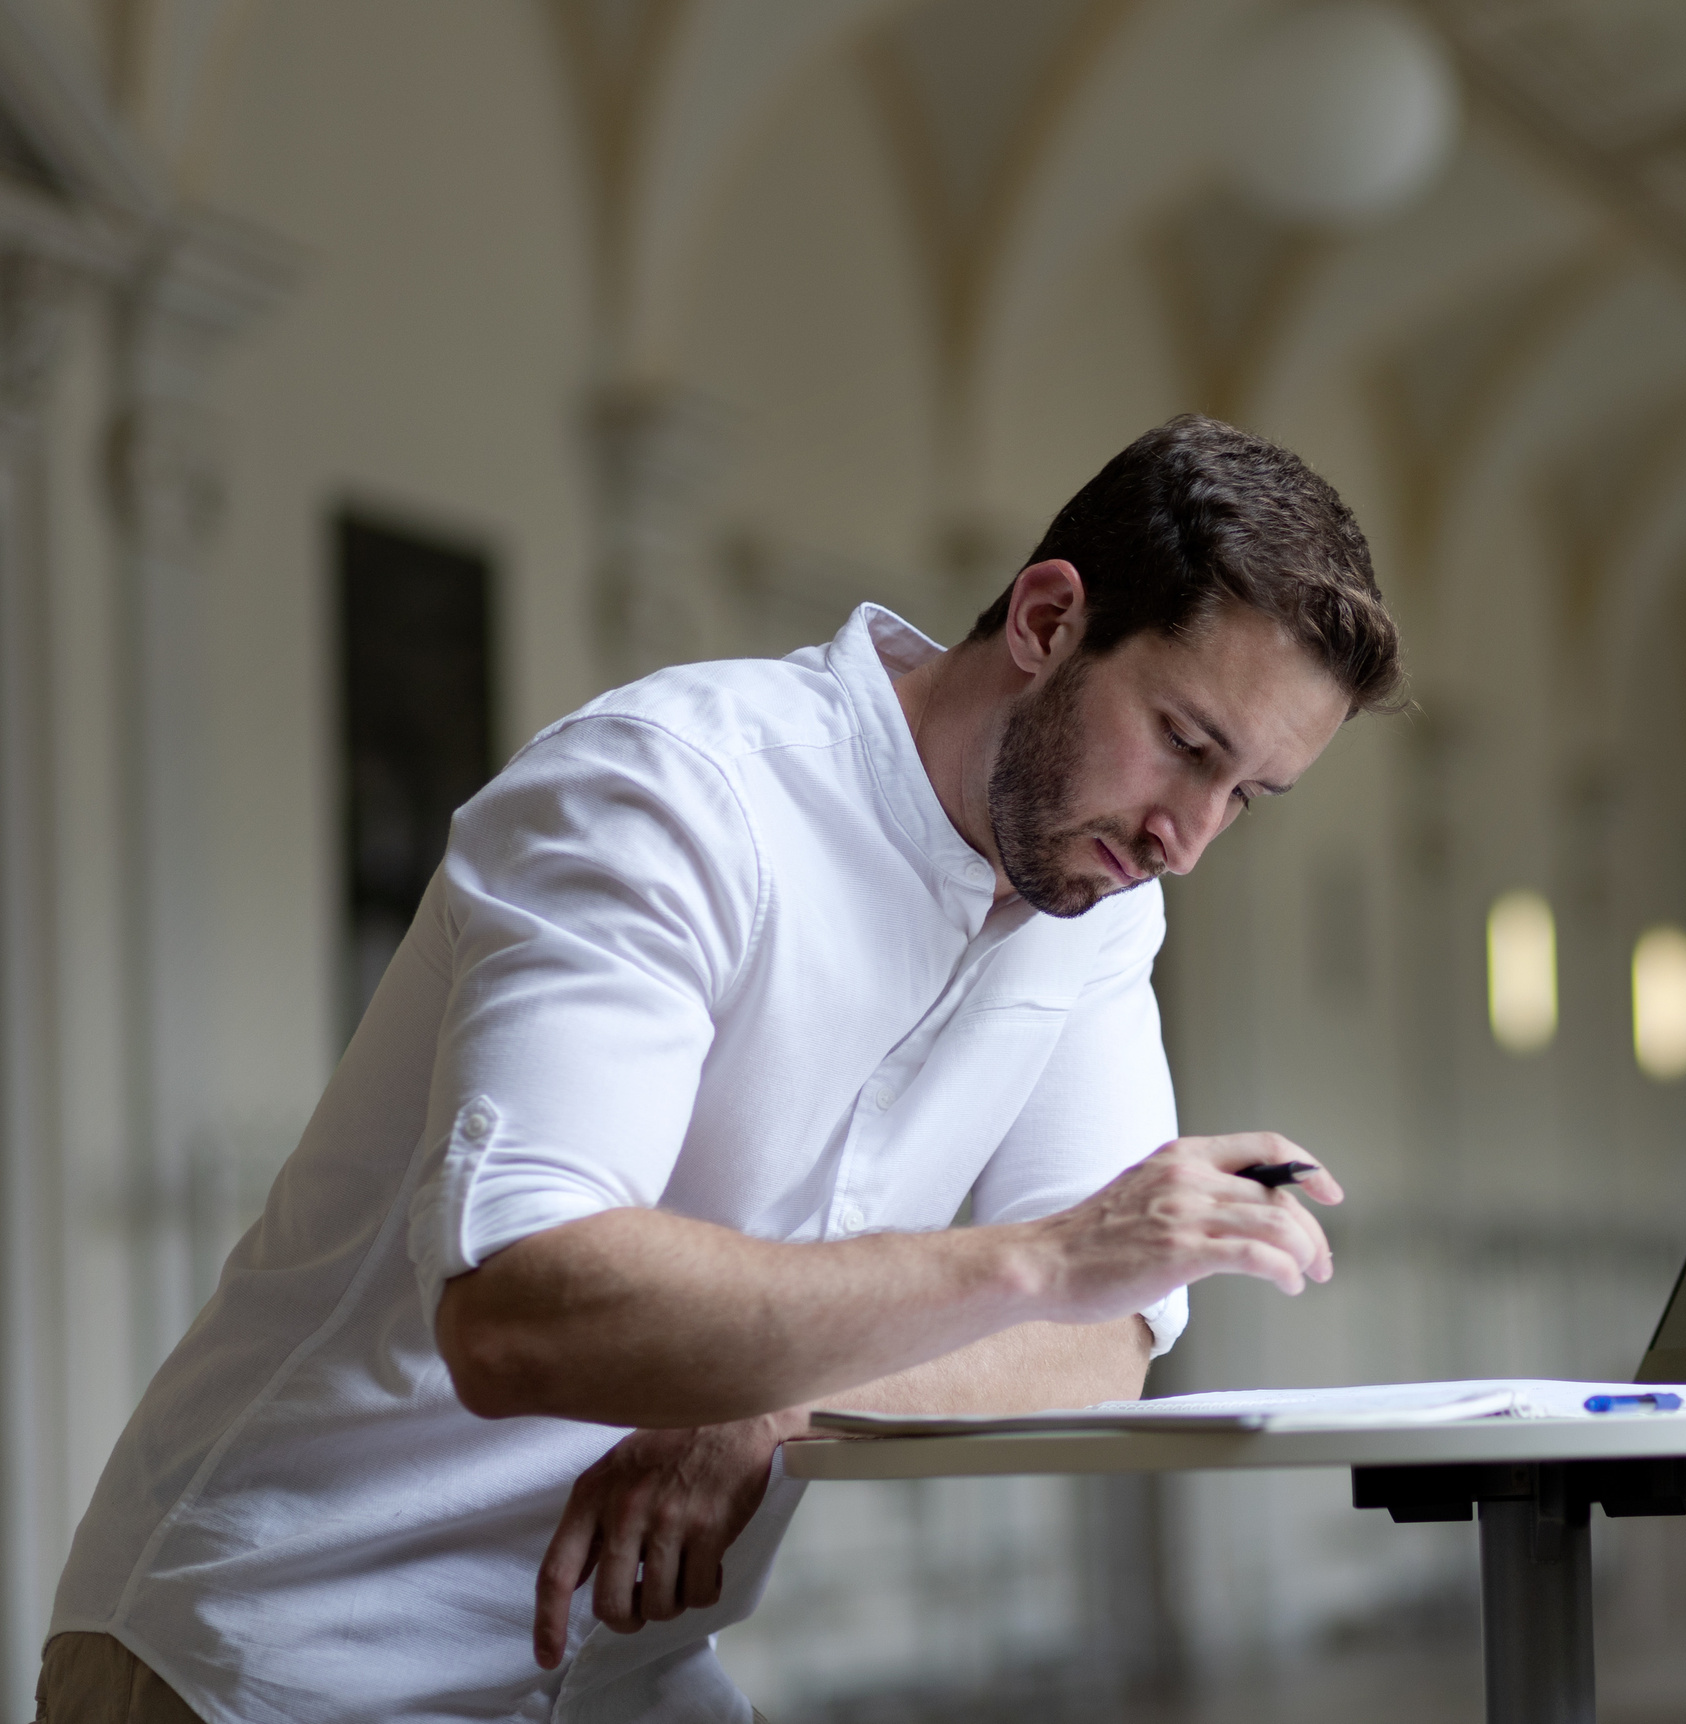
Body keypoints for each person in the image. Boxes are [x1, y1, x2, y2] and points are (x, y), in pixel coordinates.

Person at [39, 414, 1403, 1724]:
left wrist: (784, 1395)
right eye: (1187, 745)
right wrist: (1035, 1259)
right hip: (283, 1657)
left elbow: (1100, 1343)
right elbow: (516, 1314)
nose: (1190, 836)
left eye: (1247, 796)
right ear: (1049, 621)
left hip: (622, 1679)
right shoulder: (672, 790)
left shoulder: (1100, 904)